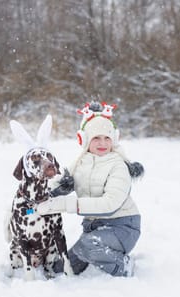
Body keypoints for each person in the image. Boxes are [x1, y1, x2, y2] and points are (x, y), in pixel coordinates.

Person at [37, 101, 143, 277]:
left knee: (89, 246)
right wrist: (38, 196)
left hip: (123, 227)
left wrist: (65, 204)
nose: (102, 143)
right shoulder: (81, 161)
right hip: (94, 228)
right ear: (85, 140)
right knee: (62, 268)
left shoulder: (118, 165)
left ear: (114, 139)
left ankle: (123, 267)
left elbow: (110, 204)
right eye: (96, 138)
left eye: (107, 138)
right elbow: (57, 182)